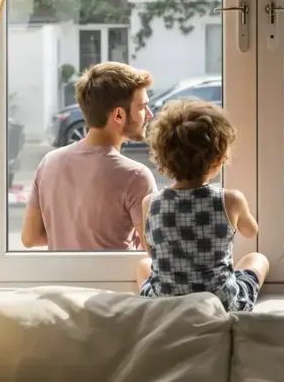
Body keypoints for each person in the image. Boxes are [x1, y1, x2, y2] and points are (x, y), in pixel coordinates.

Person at [135, 99, 269, 312]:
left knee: (143, 265)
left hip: (167, 304)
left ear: (163, 159)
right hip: (221, 304)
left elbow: (151, 253)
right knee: (257, 259)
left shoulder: (150, 203)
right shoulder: (230, 200)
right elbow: (251, 231)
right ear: (218, 159)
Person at [21, 62, 158, 251]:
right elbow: (154, 252)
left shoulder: (49, 162)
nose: (149, 114)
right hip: (110, 281)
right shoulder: (136, 176)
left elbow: (30, 238)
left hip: (59, 280)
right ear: (118, 115)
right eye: (142, 107)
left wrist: (69, 235)